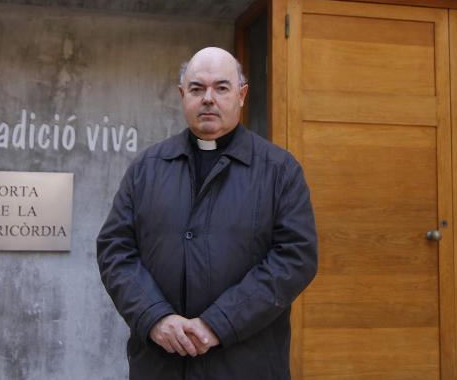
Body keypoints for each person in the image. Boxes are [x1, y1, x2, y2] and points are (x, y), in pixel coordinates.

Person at [96, 47, 318, 380]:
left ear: (241, 95)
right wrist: (155, 317)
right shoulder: (146, 168)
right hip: (160, 365)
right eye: (197, 88)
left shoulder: (279, 171)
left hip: (247, 365)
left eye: (222, 88)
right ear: (182, 95)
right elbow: (115, 251)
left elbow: (295, 259)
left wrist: (219, 323)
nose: (208, 98)